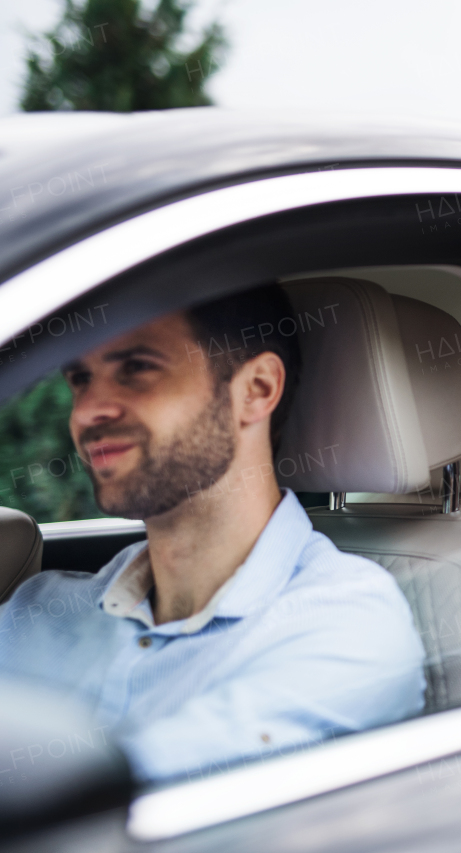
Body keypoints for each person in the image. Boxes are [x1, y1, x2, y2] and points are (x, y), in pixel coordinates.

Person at [0, 285, 426, 782]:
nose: (88, 411)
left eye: (136, 367)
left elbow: (115, 805)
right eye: (79, 378)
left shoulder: (348, 624)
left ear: (256, 390)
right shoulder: (35, 609)